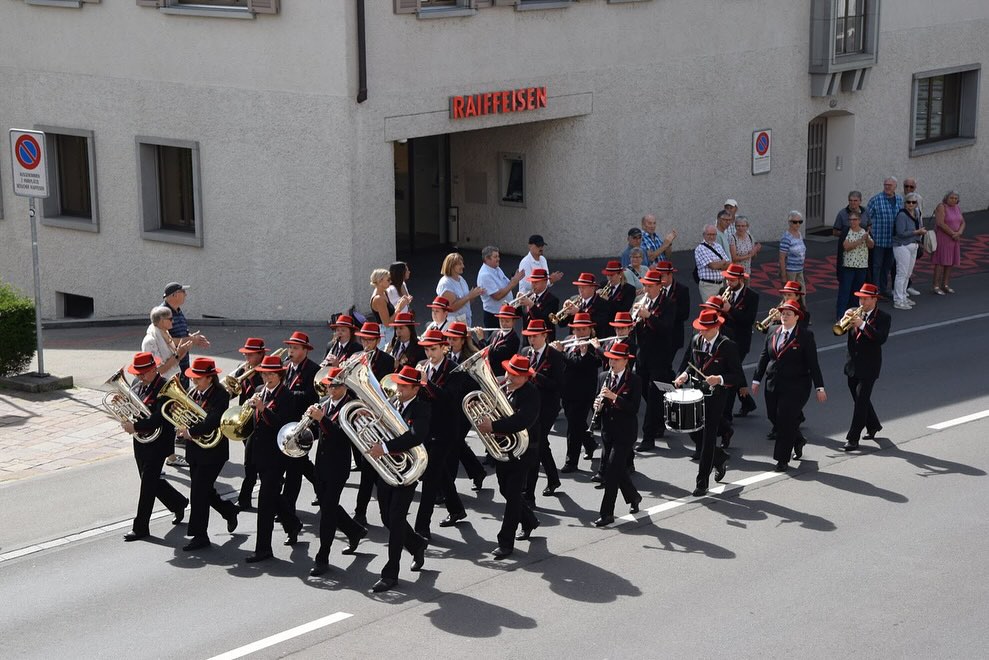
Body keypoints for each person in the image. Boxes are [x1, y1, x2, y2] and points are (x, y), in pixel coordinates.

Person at [366, 366, 430, 592]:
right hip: (387, 470)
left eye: (404, 386)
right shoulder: (391, 405)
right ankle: (416, 543)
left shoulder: (422, 409)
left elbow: (416, 436)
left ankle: (390, 573)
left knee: (395, 519)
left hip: (407, 471)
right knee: (387, 518)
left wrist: (384, 447)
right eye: (399, 384)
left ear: (415, 388)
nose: (399, 389)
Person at [476, 355, 541, 559]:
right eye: (509, 373)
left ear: (525, 377)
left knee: (512, 495)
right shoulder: (505, 390)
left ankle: (505, 542)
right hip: (506, 449)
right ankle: (529, 520)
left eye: (515, 375)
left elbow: (522, 420)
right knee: (505, 489)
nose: (510, 377)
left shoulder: (531, 394)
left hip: (525, 450)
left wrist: (493, 426)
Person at [118, 352, 188, 542]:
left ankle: (140, 527)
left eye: (143, 373)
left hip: (158, 442)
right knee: (148, 479)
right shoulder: (137, 385)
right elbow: (134, 407)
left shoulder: (165, 387)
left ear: (154, 369)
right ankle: (178, 502)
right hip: (141, 440)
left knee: (147, 484)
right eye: (138, 374)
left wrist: (136, 426)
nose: (140, 377)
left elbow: (158, 417)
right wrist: (123, 407)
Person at [752, 301, 827, 472]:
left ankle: (782, 459)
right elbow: (764, 356)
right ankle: (798, 439)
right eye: (783, 313)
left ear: (797, 317)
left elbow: (813, 364)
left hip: (796, 385)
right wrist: (757, 379)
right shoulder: (772, 330)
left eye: (788, 314)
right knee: (774, 416)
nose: (784, 316)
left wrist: (819, 387)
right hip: (773, 382)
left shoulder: (805, 336)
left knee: (785, 419)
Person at [174, 357, 240, 552]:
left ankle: (199, 535)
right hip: (195, 449)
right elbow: (186, 414)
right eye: (194, 377)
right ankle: (229, 510)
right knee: (203, 490)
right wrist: (181, 423)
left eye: (198, 378)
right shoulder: (193, 392)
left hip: (213, 452)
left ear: (210, 378)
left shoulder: (221, 395)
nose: (194, 381)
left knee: (198, 493)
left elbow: (213, 421)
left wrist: (191, 432)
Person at [674, 310, 743, 496]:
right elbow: (690, 363)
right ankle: (719, 457)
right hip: (696, 393)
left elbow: (736, 376)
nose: (702, 332)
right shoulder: (696, 340)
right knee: (693, 431)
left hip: (716, 397)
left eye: (706, 329)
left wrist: (719, 379)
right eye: (700, 329)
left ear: (717, 327)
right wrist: (683, 375)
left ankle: (702, 483)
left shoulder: (727, 346)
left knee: (708, 437)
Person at [307, 366, 368, 576]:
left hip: (339, 466)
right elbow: (317, 433)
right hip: (321, 464)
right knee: (327, 505)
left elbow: (343, 436)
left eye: (336, 386)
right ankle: (354, 530)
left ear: (344, 386)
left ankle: (322, 558)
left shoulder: (350, 408)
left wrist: (321, 419)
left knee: (327, 512)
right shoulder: (324, 404)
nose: (331, 390)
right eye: (329, 385)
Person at [244, 354, 303, 563]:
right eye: (264, 374)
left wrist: (263, 409)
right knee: (272, 496)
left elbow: (283, 425)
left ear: (279, 375)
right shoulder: (260, 392)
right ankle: (293, 524)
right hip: (259, 453)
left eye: (271, 374)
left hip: (276, 456)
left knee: (265, 502)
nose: (266, 377)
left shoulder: (287, 396)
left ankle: (263, 549)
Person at [414, 329, 467, 539]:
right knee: (440, 472)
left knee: (430, 478)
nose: (429, 353)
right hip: (428, 428)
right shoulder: (424, 367)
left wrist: (427, 383)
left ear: (444, 348)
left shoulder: (455, 370)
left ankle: (421, 528)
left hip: (446, 430)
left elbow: (448, 398)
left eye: (433, 349)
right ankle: (456, 509)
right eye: (427, 349)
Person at [593, 342, 642, 526]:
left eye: (615, 359)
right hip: (608, 431)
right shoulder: (603, 376)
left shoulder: (634, 380)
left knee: (612, 472)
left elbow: (633, 408)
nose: (611, 362)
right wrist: (597, 404)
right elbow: (597, 398)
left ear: (624, 361)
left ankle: (607, 513)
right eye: (610, 359)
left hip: (625, 432)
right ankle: (634, 496)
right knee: (618, 469)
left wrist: (615, 398)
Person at [351, 321, 395, 526]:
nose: (366, 343)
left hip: (379, 418)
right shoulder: (353, 359)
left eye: (370, 340)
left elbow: (382, 388)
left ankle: (385, 512)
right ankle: (360, 512)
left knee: (375, 469)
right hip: (361, 419)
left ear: (377, 340)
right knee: (367, 469)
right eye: (363, 339)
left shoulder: (386, 359)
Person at [141, 305, 193, 467]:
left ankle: (169, 457)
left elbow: (173, 360)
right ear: (162, 321)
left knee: (169, 424)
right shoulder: (151, 340)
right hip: (160, 387)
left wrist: (182, 351)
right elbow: (157, 369)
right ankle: (163, 460)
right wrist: (178, 353)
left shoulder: (165, 334)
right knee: (164, 425)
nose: (173, 321)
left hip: (169, 383)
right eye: (170, 318)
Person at [840, 283, 890, 451]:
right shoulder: (854, 312)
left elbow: (880, 338)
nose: (861, 301)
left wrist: (862, 324)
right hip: (852, 364)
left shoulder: (883, 317)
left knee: (860, 402)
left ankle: (853, 438)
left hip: (870, 366)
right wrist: (843, 319)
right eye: (860, 298)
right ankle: (873, 424)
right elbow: (837, 331)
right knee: (859, 398)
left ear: (874, 299)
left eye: (865, 298)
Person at [520, 319, 565, 502]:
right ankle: (553, 479)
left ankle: (529, 494)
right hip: (530, 405)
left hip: (548, 407)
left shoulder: (554, 355)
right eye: (530, 336)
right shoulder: (525, 352)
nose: (532, 340)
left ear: (544, 335)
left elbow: (558, 385)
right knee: (541, 444)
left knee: (535, 447)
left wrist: (536, 376)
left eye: (535, 336)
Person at [632, 266, 676, 452]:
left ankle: (648, 437)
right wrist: (633, 320)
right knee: (644, 390)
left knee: (653, 393)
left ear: (660, 286)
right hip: (643, 355)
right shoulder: (643, 302)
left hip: (660, 356)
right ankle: (659, 419)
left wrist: (649, 317)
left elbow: (666, 328)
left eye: (650, 286)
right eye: (645, 286)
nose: (647, 290)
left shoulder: (668, 304)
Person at [442, 322, 488, 492]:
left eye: (454, 339)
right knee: (457, 443)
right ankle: (477, 471)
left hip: (465, 408)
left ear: (463, 340)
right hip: (448, 408)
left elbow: (478, 383)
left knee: (453, 445)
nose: (451, 342)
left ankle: (449, 489)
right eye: (449, 338)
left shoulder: (472, 357)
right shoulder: (445, 356)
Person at [280, 331, 320, 522]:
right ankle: (322, 488)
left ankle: (287, 509)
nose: (291, 351)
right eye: (290, 347)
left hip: (303, 427)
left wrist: (287, 394)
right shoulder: (286, 367)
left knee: (294, 471)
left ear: (305, 350)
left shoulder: (314, 370)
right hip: (287, 425)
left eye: (295, 348)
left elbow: (312, 397)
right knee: (300, 465)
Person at [554, 312, 600, 472]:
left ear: (590, 330)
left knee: (573, 426)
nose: (580, 333)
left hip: (584, 392)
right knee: (577, 423)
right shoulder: (568, 341)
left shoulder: (593, 346)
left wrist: (561, 353)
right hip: (566, 389)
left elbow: (579, 364)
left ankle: (571, 461)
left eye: (583, 329)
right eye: (577, 329)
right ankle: (590, 443)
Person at [718, 263, 760, 421]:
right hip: (724, 339)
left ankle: (726, 414)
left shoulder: (751, 296)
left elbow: (747, 320)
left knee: (730, 375)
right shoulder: (723, 291)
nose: (729, 283)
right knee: (735, 373)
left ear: (741, 279)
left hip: (740, 341)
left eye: (732, 280)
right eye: (727, 279)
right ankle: (747, 402)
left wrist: (730, 310)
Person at [231, 337, 269, 509]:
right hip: (245, 419)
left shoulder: (267, 371)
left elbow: (263, 392)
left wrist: (253, 377)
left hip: (261, 421)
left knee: (252, 462)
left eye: (250, 355)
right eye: (246, 355)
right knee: (253, 462)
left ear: (261, 354)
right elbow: (233, 391)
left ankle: (245, 497)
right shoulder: (243, 369)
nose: (247, 359)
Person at [160, 282, 210, 387]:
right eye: (183, 292)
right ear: (174, 295)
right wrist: (192, 340)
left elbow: (182, 334)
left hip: (183, 362)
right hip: (172, 365)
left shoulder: (177, 310)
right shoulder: (163, 313)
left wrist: (193, 337)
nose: (186, 295)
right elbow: (164, 340)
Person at [867, 177, 903, 296]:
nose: (887, 187)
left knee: (887, 266)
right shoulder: (876, 200)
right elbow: (867, 218)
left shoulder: (899, 199)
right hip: (879, 239)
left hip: (893, 240)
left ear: (895, 187)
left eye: (890, 185)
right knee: (876, 266)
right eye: (885, 185)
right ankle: (874, 290)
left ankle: (883, 289)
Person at [835, 211, 873, 321]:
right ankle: (840, 315)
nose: (852, 222)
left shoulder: (864, 231)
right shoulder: (847, 232)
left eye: (855, 219)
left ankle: (855, 314)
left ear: (859, 221)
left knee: (857, 291)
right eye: (850, 220)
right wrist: (860, 240)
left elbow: (871, 245)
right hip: (848, 265)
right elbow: (846, 246)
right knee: (845, 291)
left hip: (861, 266)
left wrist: (866, 239)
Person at [892, 192, 927, 310]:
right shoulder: (902, 215)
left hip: (913, 245)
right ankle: (898, 299)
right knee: (901, 273)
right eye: (908, 202)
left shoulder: (917, 213)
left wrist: (920, 233)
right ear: (905, 203)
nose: (911, 204)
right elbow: (900, 233)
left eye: (913, 202)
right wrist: (917, 232)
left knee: (908, 273)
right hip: (902, 245)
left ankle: (903, 296)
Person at [477, 245, 525, 329]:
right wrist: (513, 283)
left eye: (498, 256)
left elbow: (506, 284)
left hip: (504, 312)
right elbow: (497, 296)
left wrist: (514, 279)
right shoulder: (485, 275)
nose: (498, 259)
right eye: (495, 257)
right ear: (487, 259)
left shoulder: (496, 268)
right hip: (494, 316)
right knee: (496, 340)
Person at [558, 272, 611, 339]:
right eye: (579, 287)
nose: (581, 290)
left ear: (592, 288)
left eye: (583, 287)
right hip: (574, 339)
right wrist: (565, 311)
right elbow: (562, 324)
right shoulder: (573, 299)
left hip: (594, 340)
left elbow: (600, 323)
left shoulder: (602, 303)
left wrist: (579, 312)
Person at [436, 252, 485, 326]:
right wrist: (469, 296)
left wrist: (474, 295)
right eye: (459, 264)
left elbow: (466, 302)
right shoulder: (445, 283)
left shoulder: (461, 279)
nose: (463, 266)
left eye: (462, 263)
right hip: (453, 324)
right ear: (451, 266)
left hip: (465, 321)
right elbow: (451, 308)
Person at [931, 190, 965, 295]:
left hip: (954, 239)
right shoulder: (941, 207)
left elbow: (963, 222)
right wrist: (952, 233)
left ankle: (945, 284)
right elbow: (940, 223)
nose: (953, 200)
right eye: (951, 198)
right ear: (946, 198)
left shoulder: (957, 208)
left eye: (955, 198)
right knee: (941, 262)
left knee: (950, 262)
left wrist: (959, 233)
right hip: (944, 238)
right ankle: (936, 286)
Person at [370, 268, 411, 351]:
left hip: (390, 332)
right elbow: (387, 323)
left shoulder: (384, 292)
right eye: (388, 280)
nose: (390, 281)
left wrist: (400, 303)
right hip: (385, 334)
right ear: (380, 281)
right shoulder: (378, 298)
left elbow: (390, 313)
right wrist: (399, 307)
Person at [516, 268, 560, 340]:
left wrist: (531, 305)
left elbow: (544, 321)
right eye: (532, 282)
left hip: (544, 340)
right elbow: (519, 314)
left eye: (536, 282)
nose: (533, 285)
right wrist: (514, 305)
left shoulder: (552, 300)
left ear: (545, 282)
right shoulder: (529, 297)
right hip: (527, 340)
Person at [694, 225, 731, 302]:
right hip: (708, 286)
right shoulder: (700, 248)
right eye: (709, 234)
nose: (711, 237)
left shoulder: (718, 246)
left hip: (721, 284)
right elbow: (712, 266)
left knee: (723, 310)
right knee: (711, 310)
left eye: (713, 234)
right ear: (704, 235)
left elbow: (728, 264)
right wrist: (722, 262)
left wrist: (719, 264)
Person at [486, 304, 521, 378]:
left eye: (507, 321)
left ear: (513, 322)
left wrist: (481, 339)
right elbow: (483, 347)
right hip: (490, 371)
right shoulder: (495, 333)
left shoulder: (514, 339)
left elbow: (496, 354)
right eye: (501, 321)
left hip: (502, 374)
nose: (504, 324)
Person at [778, 211, 807, 290]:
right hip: (790, 271)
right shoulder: (786, 238)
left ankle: (802, 303)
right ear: (789, 222)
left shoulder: (799, 234)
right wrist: (783, 275)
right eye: (795, 222)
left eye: (800, 222)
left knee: (802, 293)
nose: (798, 224)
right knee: (791, 293)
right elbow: (782, 258)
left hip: (799, 269)